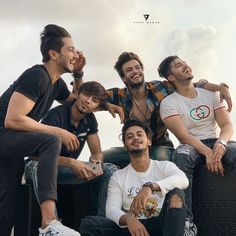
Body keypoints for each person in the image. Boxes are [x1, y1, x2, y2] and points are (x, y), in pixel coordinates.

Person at [73, 52, 232, 169]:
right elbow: (81, 98)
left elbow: (195, 84)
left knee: (160, 160)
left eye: (137, 68)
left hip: (160, 146)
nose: (135, 71)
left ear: (142, 71)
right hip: (133, 148)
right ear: (124, 78)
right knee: (101, 161)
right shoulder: (118, 95)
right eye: (129, 70)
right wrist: (79, 75)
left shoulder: (161, 87)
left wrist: (221, 87)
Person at [158, 55, 236, 232]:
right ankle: (187, 224)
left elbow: (226, 125)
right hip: (192, 145)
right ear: (171, 77)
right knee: (181, 156)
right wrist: (207, 152)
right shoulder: (169, 103)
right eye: (178, 66)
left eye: (184, 62)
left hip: (216, 141)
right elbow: (183, 135)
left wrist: (221, 144)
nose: (185, 65)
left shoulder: (211, 93)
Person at [25, 81, 119, 217]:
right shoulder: (56, 115)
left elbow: (97, 152)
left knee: (109, 170)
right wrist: (71, 162)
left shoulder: (90, 120)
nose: (88, 101)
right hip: (40, 166)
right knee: (35, 166)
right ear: (78, 94)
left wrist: (96, 163)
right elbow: (35, 155)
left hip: (63, 170)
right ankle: (51, 225)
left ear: (97, 107)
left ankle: (100, 225)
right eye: (86, 95)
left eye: (95, 100)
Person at [79, 119, 189, 236]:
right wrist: (129, 219)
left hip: (160, 225)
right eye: (130, 136)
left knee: (177, 194)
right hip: (131, 228)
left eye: (140, 134)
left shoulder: (164, 166)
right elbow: (111, 210)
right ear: (125, 146)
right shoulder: (118, 176)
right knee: (89, 224)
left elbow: (183, 180)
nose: (135, 138)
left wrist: (150, 188)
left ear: (149, 141)